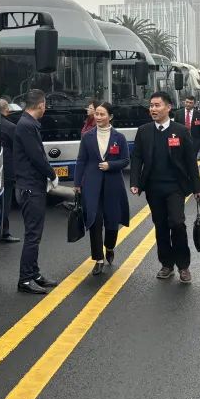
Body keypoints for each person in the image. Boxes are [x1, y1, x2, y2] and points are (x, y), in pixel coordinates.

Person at [130, 92, 200, 283]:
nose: (153, 109)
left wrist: (197, 187)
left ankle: (183, 266)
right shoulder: (144, 131)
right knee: (161, 225)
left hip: (175, 187)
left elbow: (190, 161)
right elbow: (136, 157)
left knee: (177, 223)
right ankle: (167, 264)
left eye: (157, 105)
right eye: (151, 106)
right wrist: (135, 182)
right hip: (153, 187)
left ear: (168, 107)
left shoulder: (180, 131)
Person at [74, 101, 130, 275]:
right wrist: (77, 184)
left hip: (113, 185)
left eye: (102, 114)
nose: (98, 117)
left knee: (112, 222)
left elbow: (125, 160)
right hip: (92, 185)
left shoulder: (119, 137)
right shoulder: (87, 136)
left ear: (110, 117)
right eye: (96, 114)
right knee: (95, 221)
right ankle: (98, 259)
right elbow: (81, 160)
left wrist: (110, 165)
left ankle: (110, 247)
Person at [14, 90, 58, 295]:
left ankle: (34, 273)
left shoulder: (27, 123)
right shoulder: (27, 125)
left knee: (35, 234)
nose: (45, 108)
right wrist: (52, 174)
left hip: (31, 186)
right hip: (30, 188)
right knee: (32, 236)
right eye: (45, 105)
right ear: (40, 105)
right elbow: (37, 156)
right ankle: (25, 279)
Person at [0, 99, 21, 244]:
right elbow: (17, 149)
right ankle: (4, 232)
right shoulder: (11, 127)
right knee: (6, 201)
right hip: (7, 168)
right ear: (7, 110)